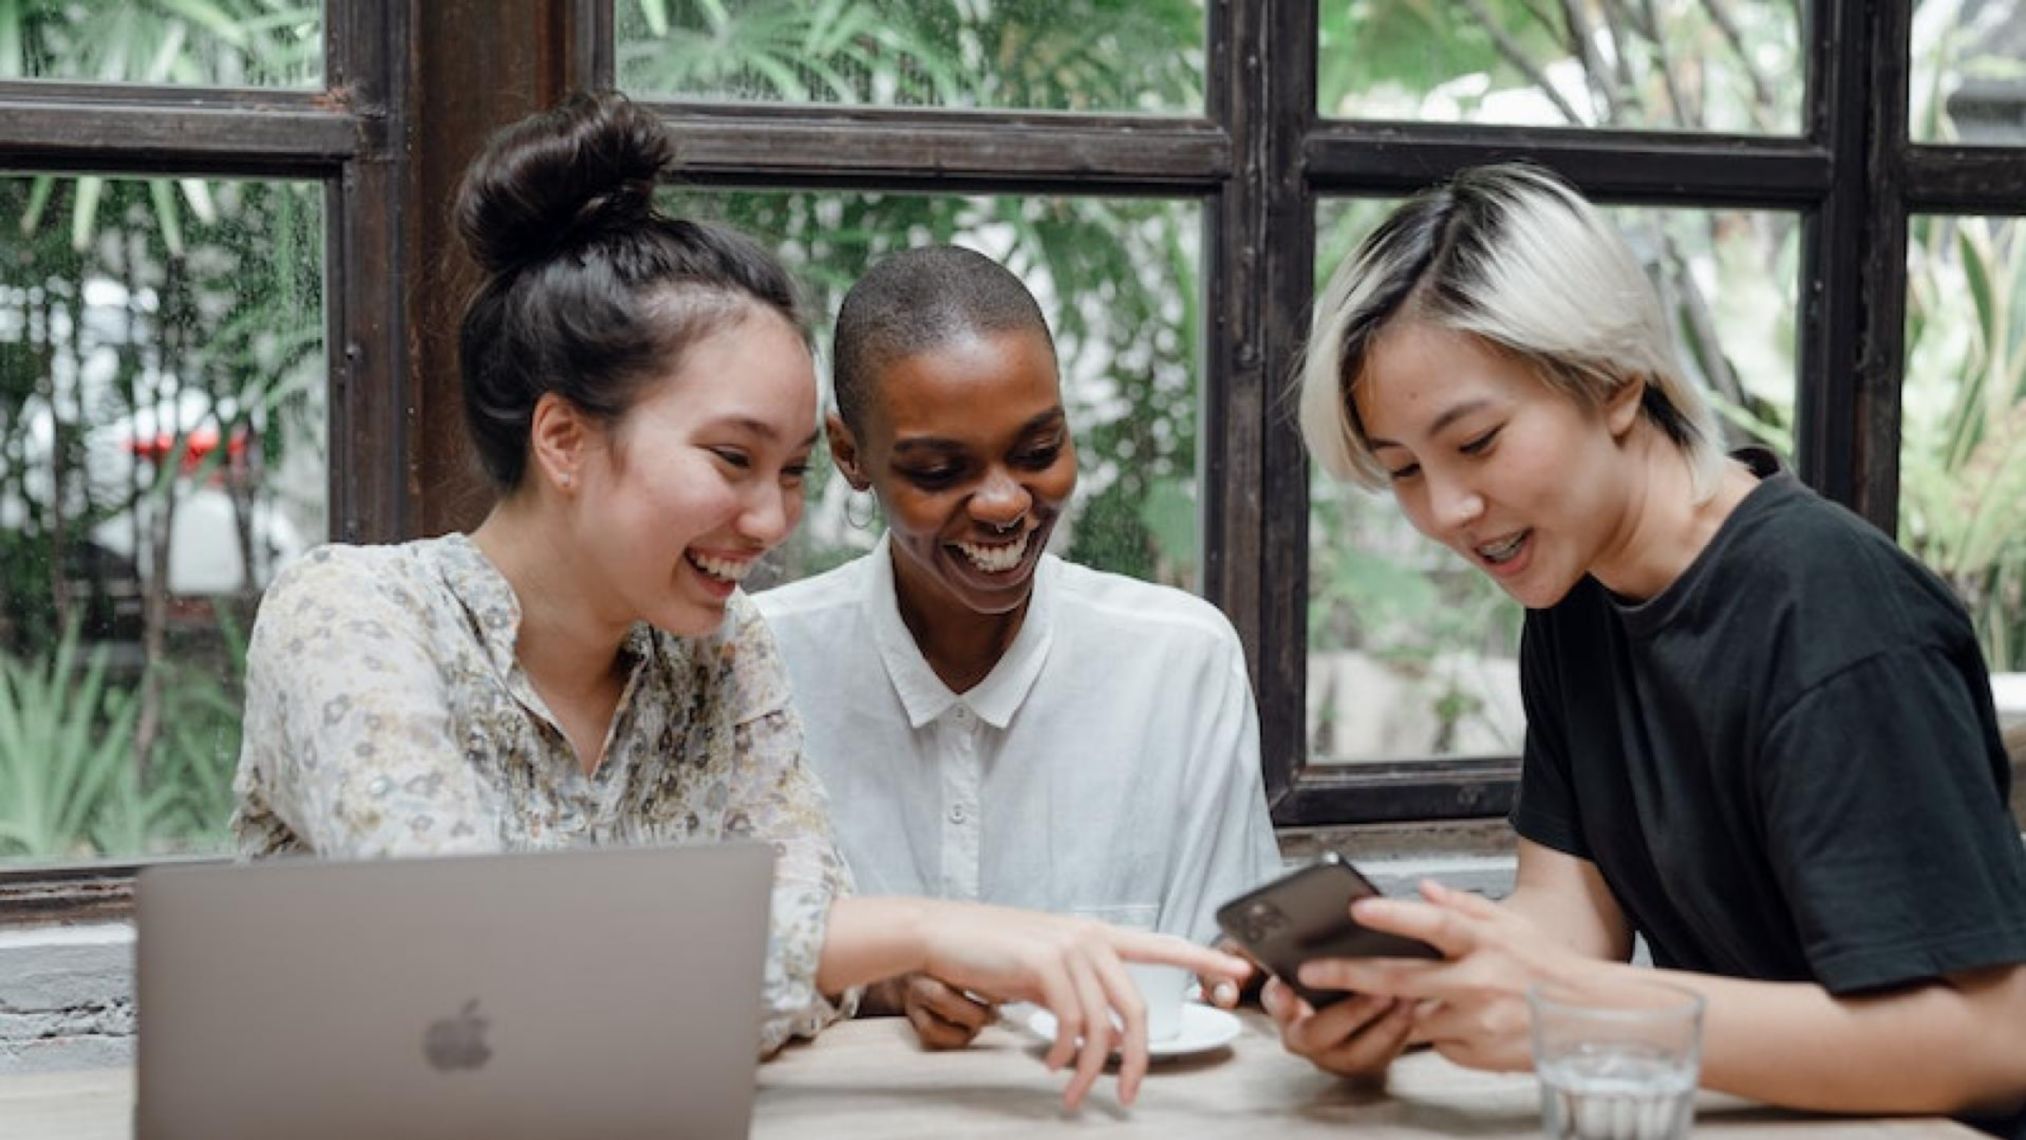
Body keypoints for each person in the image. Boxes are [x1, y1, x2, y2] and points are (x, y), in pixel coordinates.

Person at [229, 91, 1245, 1112]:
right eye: (731, 458)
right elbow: (466, 973)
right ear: (564, 440)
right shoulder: (352, 617)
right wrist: (923, 931)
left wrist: (800, 960)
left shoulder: (720, 651)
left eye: (794, 470)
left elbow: (805, 982)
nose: (771, 522)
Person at [1285, 163, 2026, 1136]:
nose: (1446, 512)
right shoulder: (1572, 592)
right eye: (1403, 472)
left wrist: (1575, 1011)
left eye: (1475, 443)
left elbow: (1995, 1041)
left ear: (1615, 381)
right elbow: (1572, 912)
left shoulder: (1834, 612)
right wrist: (1421, 993)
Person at [754, 245, 1282, 1050]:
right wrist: (883, 977)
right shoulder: (760, 666)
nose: (1004, 502)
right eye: (939, 469)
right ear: (850, 454)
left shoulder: (1179, 663)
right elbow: (699, 969)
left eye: (1039, 452)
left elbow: (1227, 978)